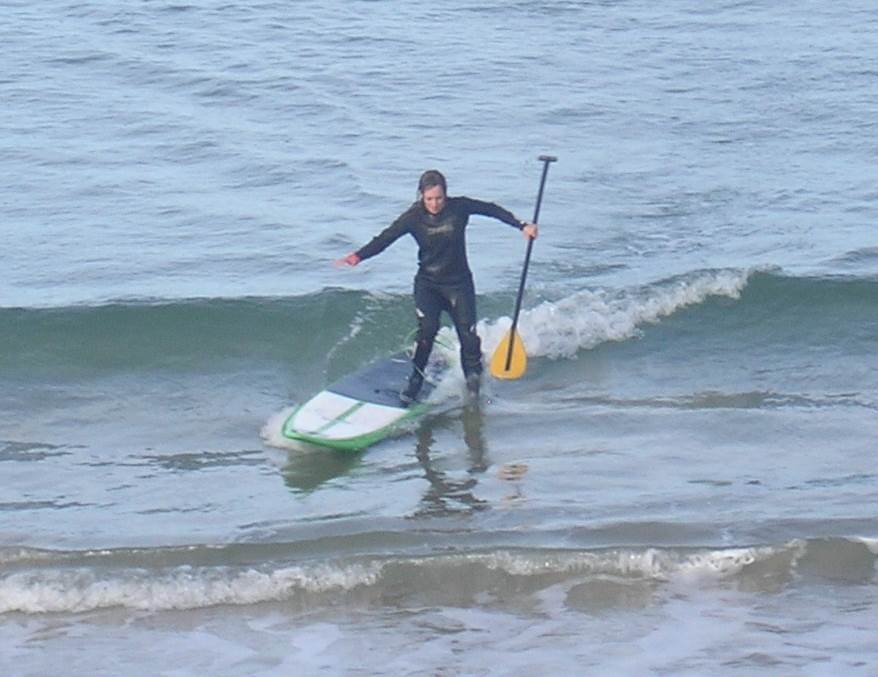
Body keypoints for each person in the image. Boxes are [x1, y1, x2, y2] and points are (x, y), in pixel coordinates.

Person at [336, 169, 538, 405]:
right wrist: (358, 256)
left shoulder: (459, 208)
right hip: (428, 285)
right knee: (427, 332)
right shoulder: (413, 217)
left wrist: (522, 225)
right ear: (421, 195)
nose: (434, 204)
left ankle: (473, 384)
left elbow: (491, 209)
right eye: (429, 198)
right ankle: (415, 381)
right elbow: (386, 238)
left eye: (439, 198)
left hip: (459, 285)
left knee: (468, 338)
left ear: (446, 195)